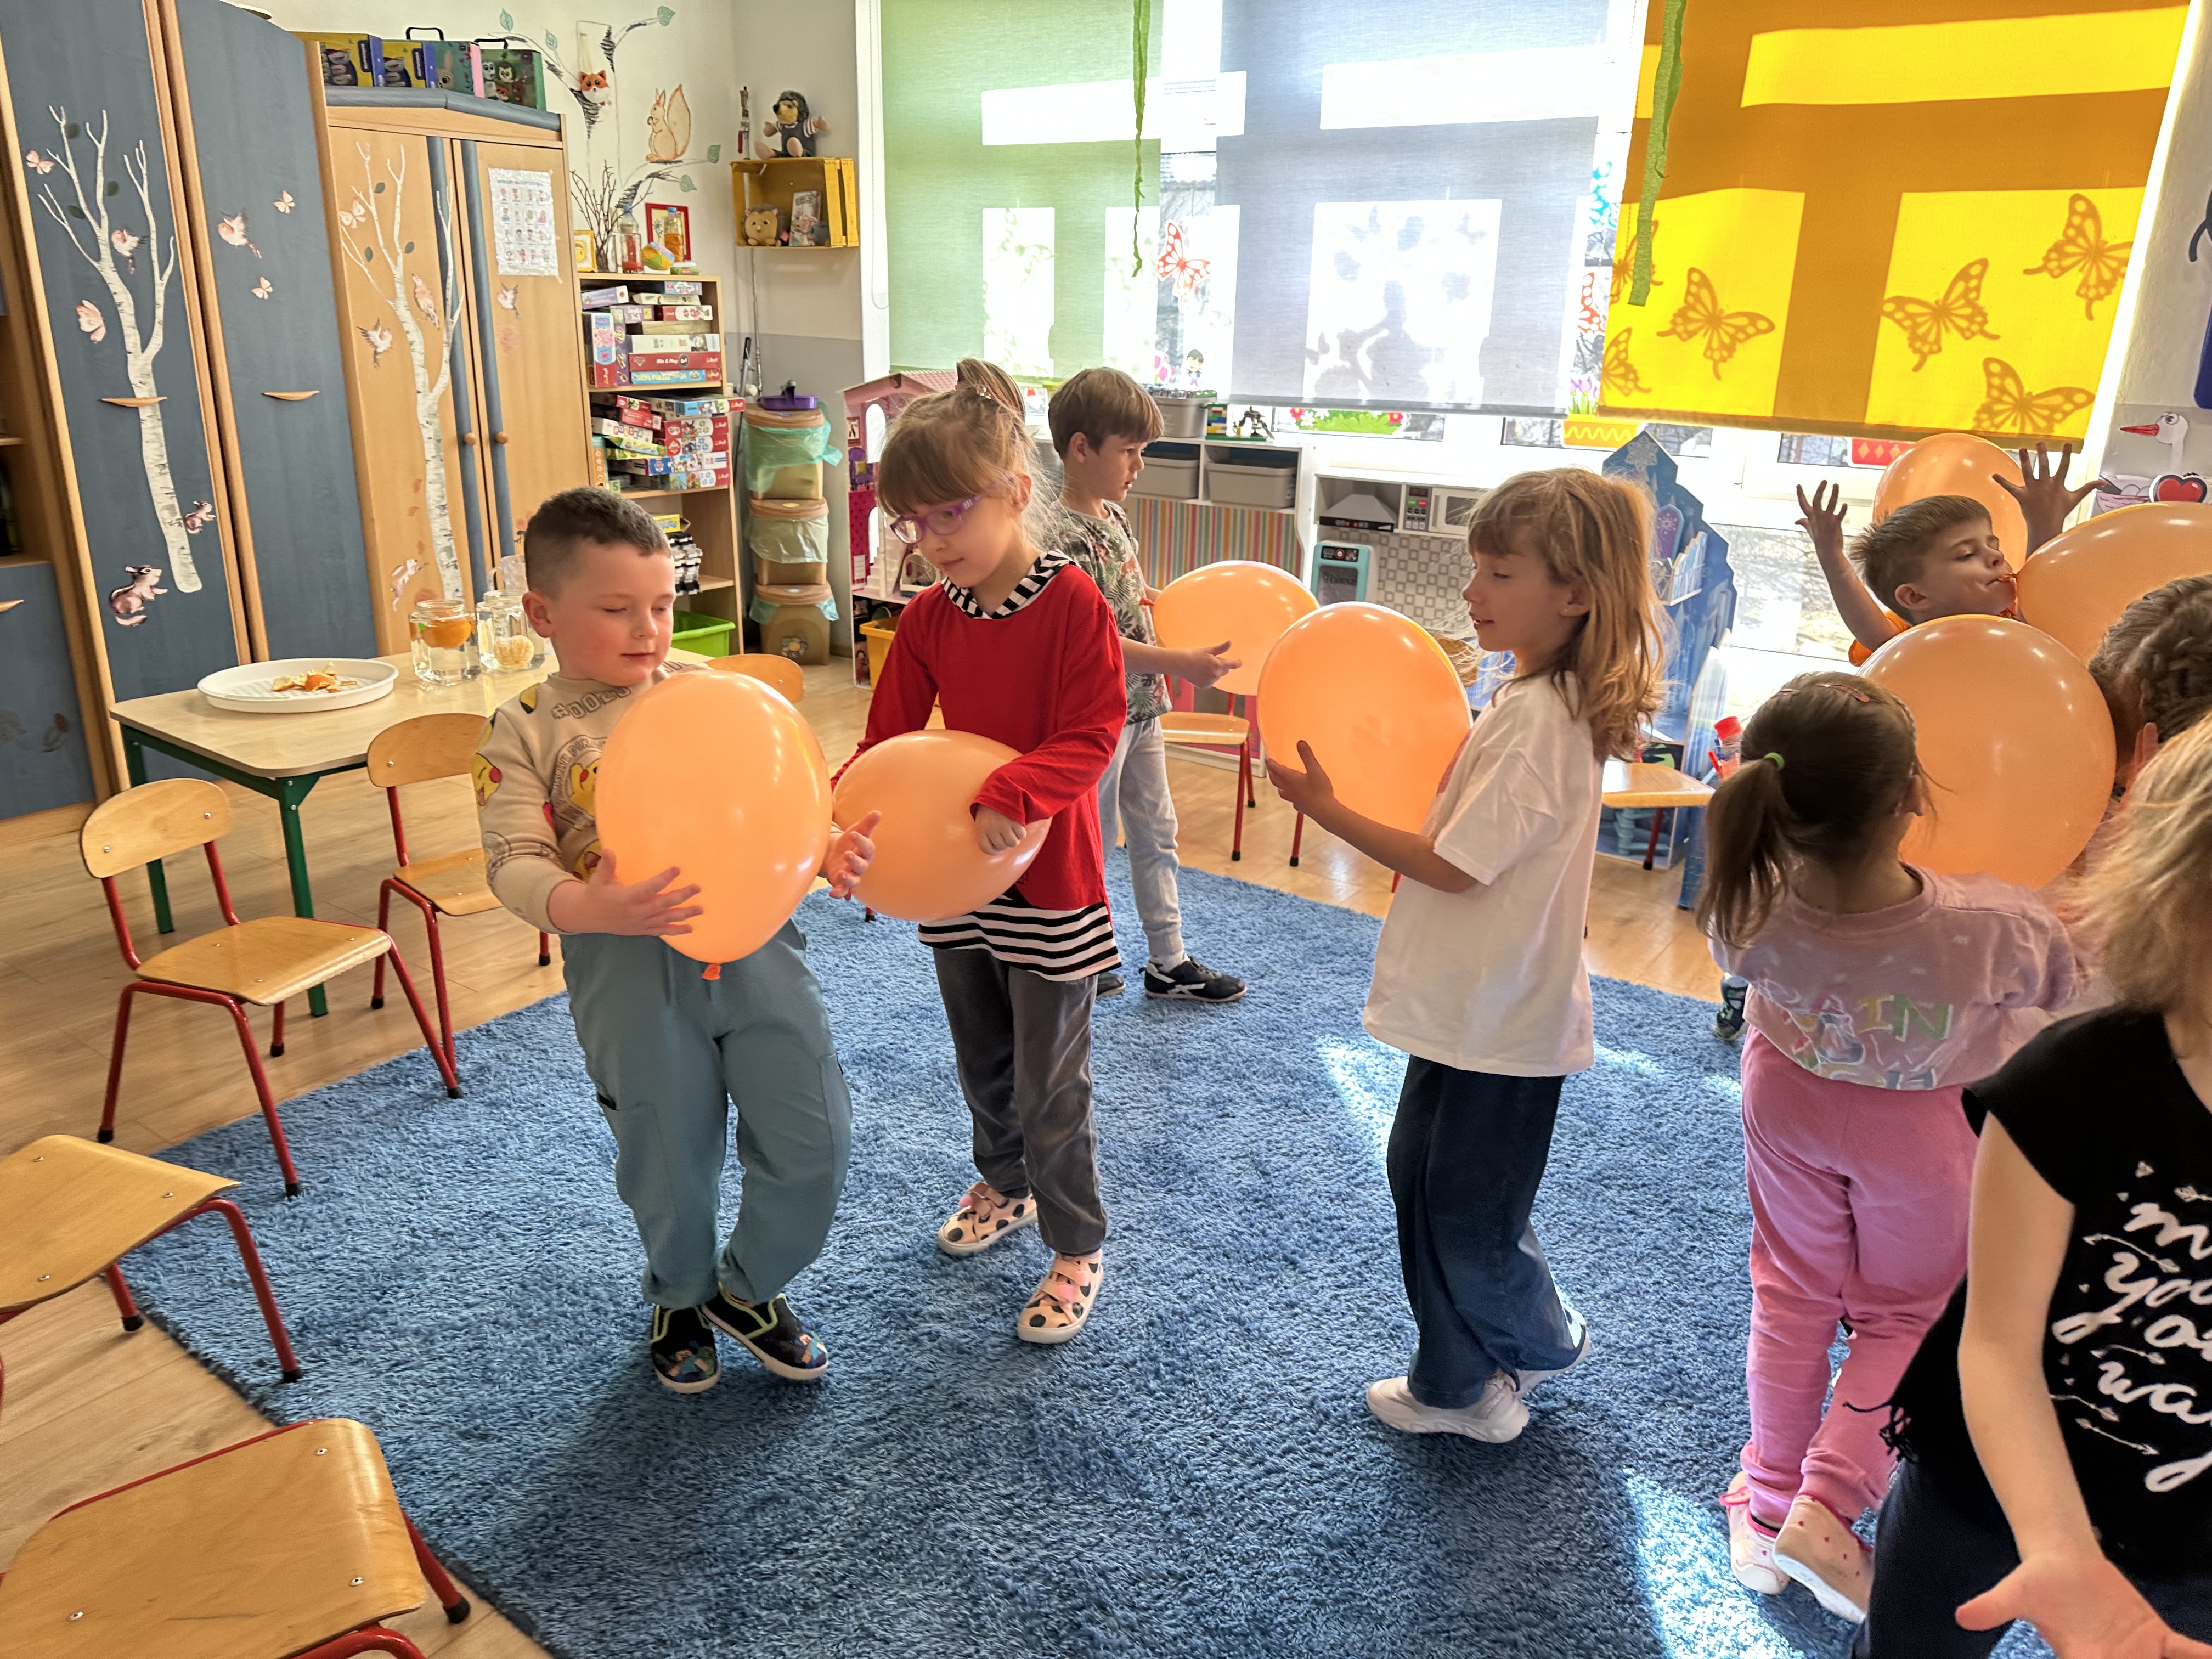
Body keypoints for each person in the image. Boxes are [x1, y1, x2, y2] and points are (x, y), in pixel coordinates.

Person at [1269, 469, 1663, 1444]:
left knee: (1465, 1210)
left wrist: (1328, 811)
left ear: (1575, 593)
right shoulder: (1531, 696)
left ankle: (1521, 1350)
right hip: (1476, 1004)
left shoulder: (1540, 719)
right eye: (1476, 568)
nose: (1472, 591)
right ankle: (1461, 1373)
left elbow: (1452, 865)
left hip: (1503, 1017)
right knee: (1424, 1178)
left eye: (1499, 572)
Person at [475, 489, 877, 1393]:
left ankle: (748, 1288)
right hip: (624, 966)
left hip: (759, 946)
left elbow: (771, 806)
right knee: (665, 1156)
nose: (648, 629)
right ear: (542, 613)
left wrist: (825, 848)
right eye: (617, 608)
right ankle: (683, 1294)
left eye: (661, 605)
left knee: (816, 1135)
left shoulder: (709, 696)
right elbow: (512, 862)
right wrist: (587, 904)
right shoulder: (523, 727)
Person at [1697, 672, 2078, 1621]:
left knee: (1791, 1294)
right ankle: (1826, 1505)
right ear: (1910, 793)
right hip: (1920, 1126)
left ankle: (1768, 1503)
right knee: (1907, 1312)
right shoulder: (1991, 924)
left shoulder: (1746, 901)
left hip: (1786, 1102)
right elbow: (2067, 989)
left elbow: (1734, 961)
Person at [1863, 720, 2212, 1657]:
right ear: (2178, 899)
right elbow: (1997, 1343)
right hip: (1981, 1481)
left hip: (2192, 1541)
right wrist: (2058, 1543)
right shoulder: (2072, 1084)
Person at [845, 358, 1127, 1345]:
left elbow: (1093, 731)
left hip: (1048, 880)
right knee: (984, 1060)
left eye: (949, 513)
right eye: (910, 523)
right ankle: (1004, 1184)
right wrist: (849, 831)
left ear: (1014, 490)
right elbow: (883, 745)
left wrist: (1015, 788)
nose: (930, 541)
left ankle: (1077, 1242)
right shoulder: (927, 614)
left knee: (1052, 1082)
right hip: (955, 879)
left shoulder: (1073, 603)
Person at [1040, 365, 1245, 1004]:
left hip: (1143, 709)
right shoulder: (1061, 537)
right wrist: (1178, 661)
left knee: (1157, 832)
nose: (1139, 466)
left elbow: (1125, 598)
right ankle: (1090, 956)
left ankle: (1168, 959)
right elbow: (1091, 641)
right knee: (1093, 843)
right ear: (1081, 448)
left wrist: (1173, 602)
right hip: (1096, 718)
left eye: (1142, 451)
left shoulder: (1113, 517)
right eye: (1129, 451)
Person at [1802, 442, 2108, 667]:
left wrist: (2044, 524)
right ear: (1915, 597)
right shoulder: (1912, 647)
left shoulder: (2023, 620)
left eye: (1994, 546)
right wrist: (1832, 558)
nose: (1997, 558)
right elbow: (1871, 631)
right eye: (1966, 555)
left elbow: (2044, 595)